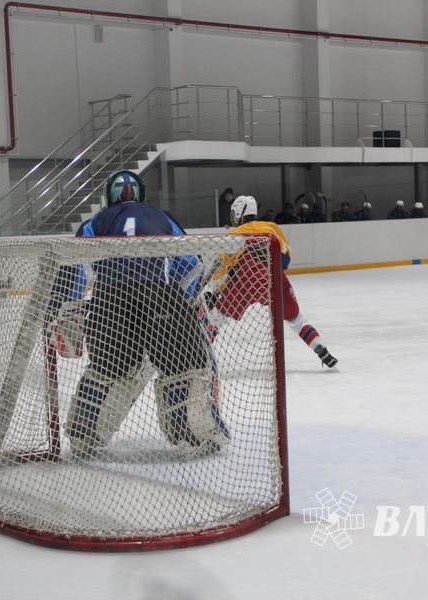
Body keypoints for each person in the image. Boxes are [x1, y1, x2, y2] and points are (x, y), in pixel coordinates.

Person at [55, 170, 228, 457]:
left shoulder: (94, 222)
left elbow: (75, 268)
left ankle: (83, 434)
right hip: (159, 296)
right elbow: (191, 262)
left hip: (108, 301)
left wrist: (68, 309)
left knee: (107, 368)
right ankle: (193, 434)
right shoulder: (161, 216)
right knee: (183, 365)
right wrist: (182, 300)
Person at [209, 195, 337, 370]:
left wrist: (216, 295)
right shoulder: (271, 227)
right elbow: (285, 260)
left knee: (216, 318)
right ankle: (321, 349)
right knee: (296, 319)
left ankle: (200, 354)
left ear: (239, 212)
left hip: (245, 282)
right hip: (275, 280)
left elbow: (222, 271)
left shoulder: (233, 235)